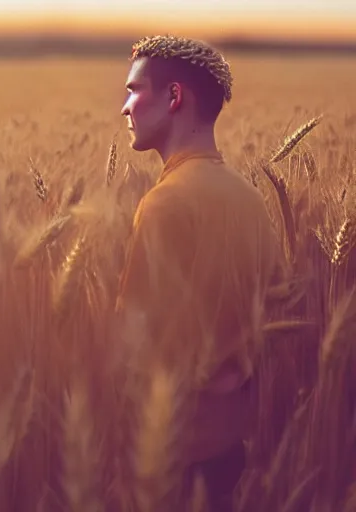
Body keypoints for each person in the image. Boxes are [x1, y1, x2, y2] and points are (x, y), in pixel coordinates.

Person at [114, 35, 285, 511]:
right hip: (230, 452)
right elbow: (274, 309)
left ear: (174, 97)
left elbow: (135, 342)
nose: (124, 108)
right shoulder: (252, 201)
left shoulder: (164, 205)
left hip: (170, 453)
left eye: (133, 90)